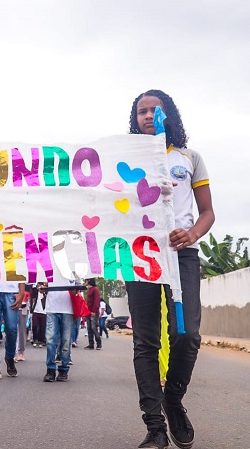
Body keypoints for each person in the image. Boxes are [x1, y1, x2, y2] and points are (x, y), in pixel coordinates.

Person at [125, 89, 215, 449]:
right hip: (139, 257)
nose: (148, 116)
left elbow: (207, 212)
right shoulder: (123, 159)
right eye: (141, 112)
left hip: (182, 256)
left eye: (154, 110)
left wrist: (191, 233)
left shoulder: (189, 158)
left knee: (187, 334)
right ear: (135, 120)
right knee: (145, 342)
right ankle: (155, 427)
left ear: (169, 115)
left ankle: (173, 399)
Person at [41, 276, 76, 382]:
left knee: (66, 340)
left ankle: (64, 369)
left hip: (68, 308)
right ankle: (50, 369)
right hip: (52, 307)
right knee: (50, 340)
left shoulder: (73, 266)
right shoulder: (49, 265)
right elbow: (42, 282)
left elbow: (80, 282)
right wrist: (42, 287)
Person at [84, 278, 102, 350]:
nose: (85, 282)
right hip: (88, 312)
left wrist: (94, 311)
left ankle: (99, 343)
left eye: (86, 280)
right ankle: (91, 344)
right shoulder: (89, 290)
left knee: (93, 328)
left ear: (88, 281)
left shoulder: (95, 289)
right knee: (89, 328)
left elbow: (96, 300)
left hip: (93, 312)